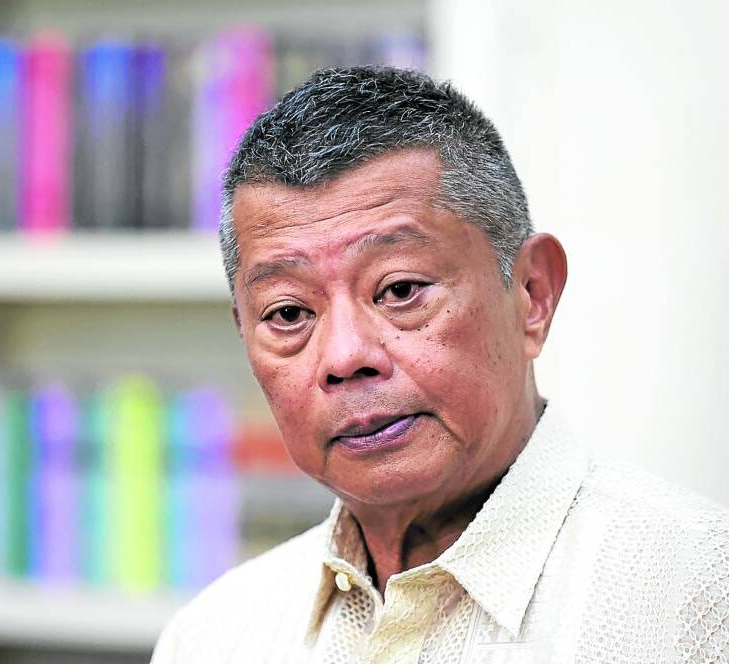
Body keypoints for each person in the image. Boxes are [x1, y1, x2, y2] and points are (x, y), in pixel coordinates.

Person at [152, 67, 729, 663]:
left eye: (400, 290)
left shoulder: (701, 602)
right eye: (289, 313)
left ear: (532, 294)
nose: (345, 357)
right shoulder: (212, 638)